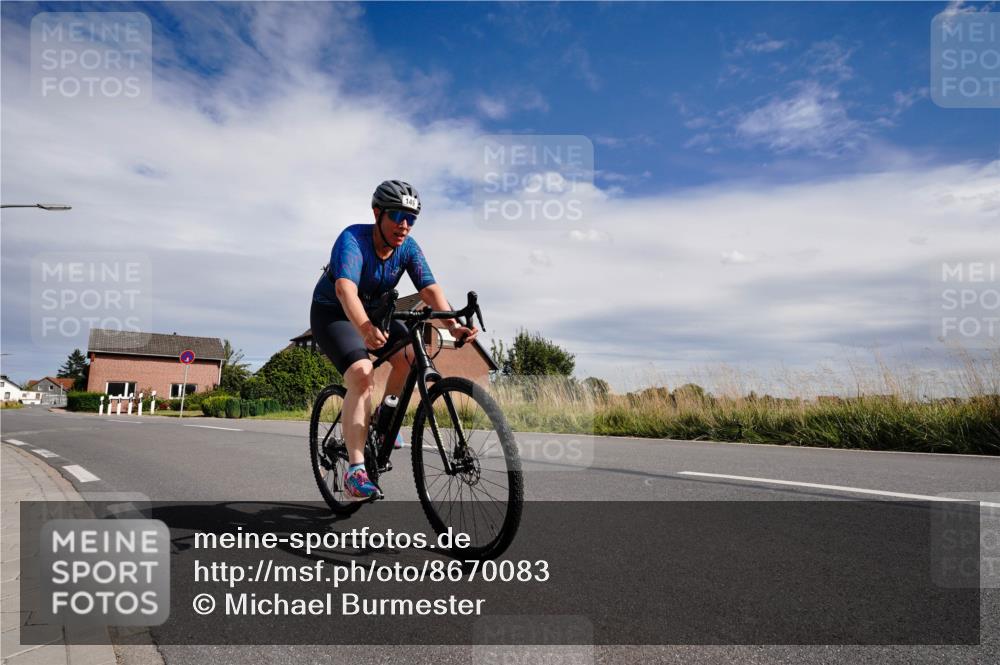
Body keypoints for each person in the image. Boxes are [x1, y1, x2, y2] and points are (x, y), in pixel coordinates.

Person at [310, 180, 478, 501]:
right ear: (377, 213)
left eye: (411, 219)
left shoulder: (408, 248)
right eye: (398, 216)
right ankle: (355, 472)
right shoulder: (353, 240)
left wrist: (453, 326)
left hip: (375, 313)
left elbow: (429, 291)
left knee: (413, 355)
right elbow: (345, 290)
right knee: (362, 374)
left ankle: (383, 419)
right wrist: (363, 327)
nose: (404, 226)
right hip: (334, 314)